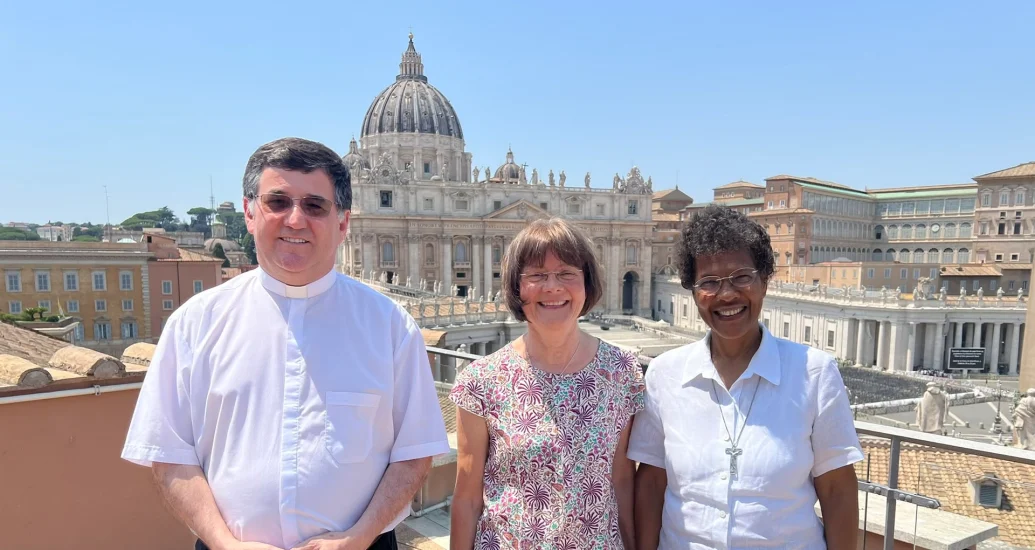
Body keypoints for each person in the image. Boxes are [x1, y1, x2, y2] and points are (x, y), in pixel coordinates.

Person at [122, 137, 449, 550]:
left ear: (343, 222)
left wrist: (358, 537)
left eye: (314, 206)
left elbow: (414, 453)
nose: (295, 220)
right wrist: (225, 543)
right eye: (278, 202)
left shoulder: (391, 326)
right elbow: (168, 456)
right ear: (249, 213)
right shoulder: (193, 323)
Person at [629, 205, 862, 550]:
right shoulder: (665, 374)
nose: (727, 295)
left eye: (742, 277)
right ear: (692, 293)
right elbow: (650, 484)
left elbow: (838, 489)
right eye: (709, 282)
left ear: (764, 281)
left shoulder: (815, 373)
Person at [449, 217, 644, 549]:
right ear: (517, 288)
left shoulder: (622, 372)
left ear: (587, 283)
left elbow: (622, 481)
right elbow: (467, 499)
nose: (553, 287)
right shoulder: (480, 381)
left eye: (567, 273)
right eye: (537, 275)